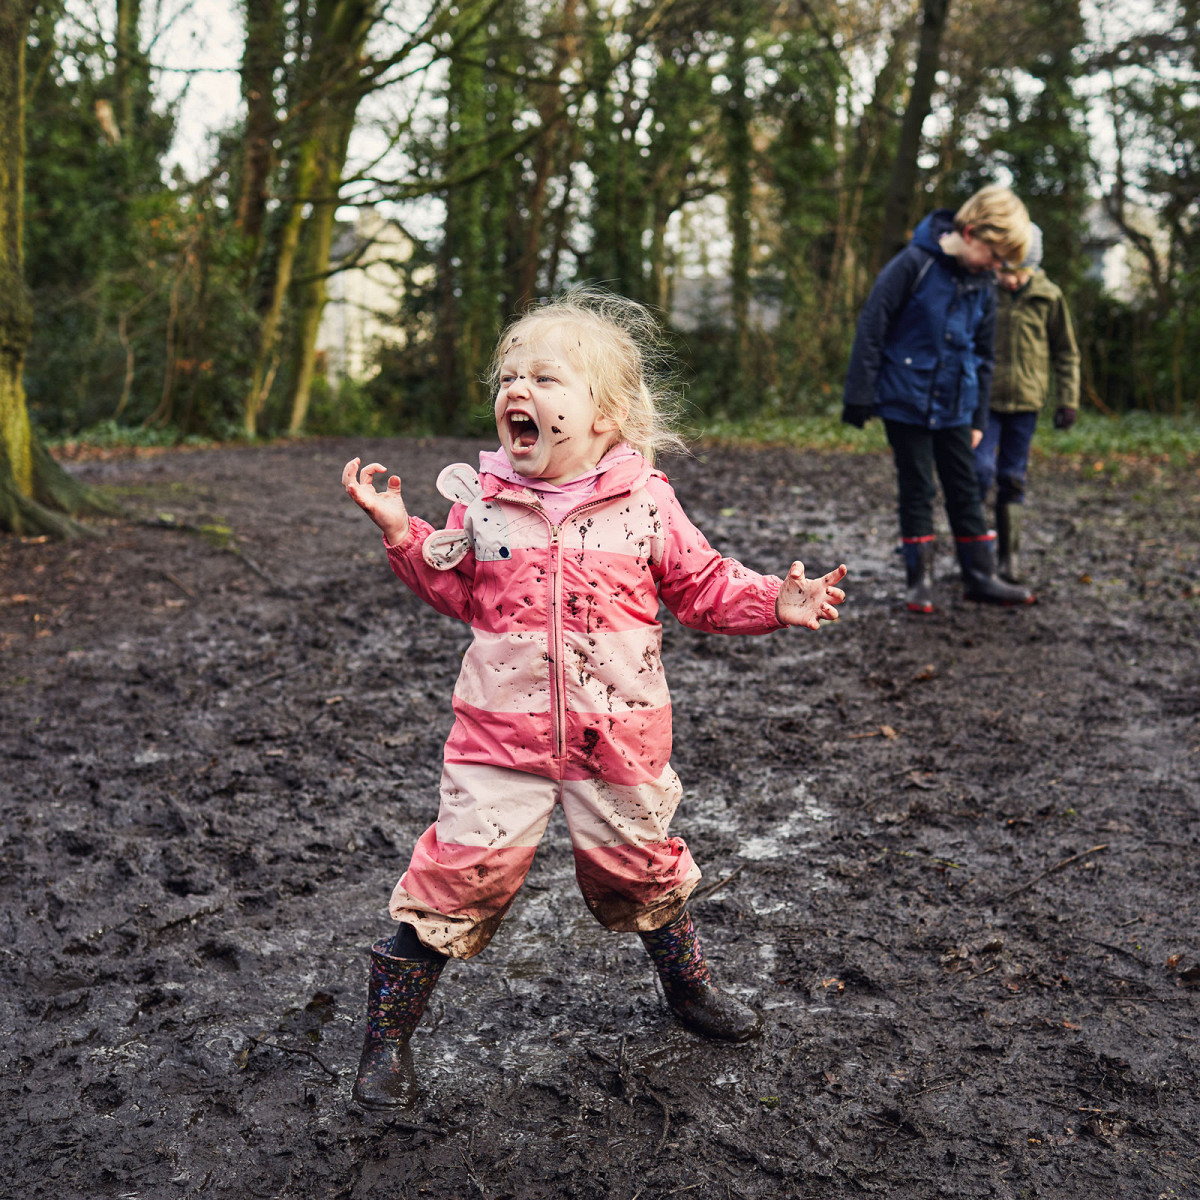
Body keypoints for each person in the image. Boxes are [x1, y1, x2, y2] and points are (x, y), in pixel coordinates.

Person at [341, 288, 848, 1109]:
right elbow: (459, 591)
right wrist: (401, 532)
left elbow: (703, 584)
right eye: (509, 378)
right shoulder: (483, 503)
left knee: (641, 870)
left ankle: (687, 991)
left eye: (546, 378)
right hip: (498, 740)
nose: (519, 392)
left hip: (618, 736)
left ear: (607, 416)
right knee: (455, 877)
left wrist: (774, 603)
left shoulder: (645, 502)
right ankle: (385, 1039)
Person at [842, 184, 1035, 612]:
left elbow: (985, 354)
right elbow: (874, 324)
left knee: (964, 488)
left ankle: (980, 576)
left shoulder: (983, 284)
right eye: (995, 253)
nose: (997, 265)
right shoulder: (914, 264)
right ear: (970, 232)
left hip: (957, 404)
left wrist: (980, 418)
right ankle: (920, 582)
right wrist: (860, 394)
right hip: (905, 399)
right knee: (918, 487)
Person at [974, 223, 1080, 583]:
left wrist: (1068, 400)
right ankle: (974, 553)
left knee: (1012, 477)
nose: (1013, 280)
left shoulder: (1049, 297)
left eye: (1022, 272)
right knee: (979, 473)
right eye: (1006, 271)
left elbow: (1066, 353)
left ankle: (1009, 558)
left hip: (1026, 402)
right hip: (985, 403)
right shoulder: (984, 291)